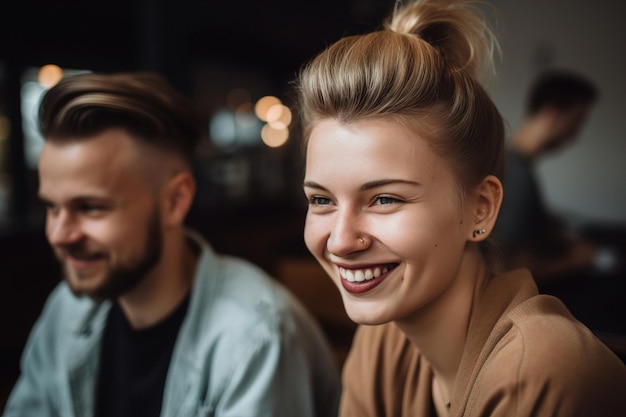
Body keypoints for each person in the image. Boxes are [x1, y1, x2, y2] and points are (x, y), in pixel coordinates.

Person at [295, 0, 626, 416]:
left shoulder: (543, 372)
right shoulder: (383, 337)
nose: (341, 242)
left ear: (481, 209)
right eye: (321, 200)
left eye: (384, 199)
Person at [2, 72, 340, 417]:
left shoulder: (255, 339)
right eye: (52, 207)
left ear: (175, 201)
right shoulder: (68, 308)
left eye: (90, 207)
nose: (59, 234)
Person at [493, 69, 606, 284]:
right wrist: (575, 260)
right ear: (552, 114)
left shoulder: (513, 164)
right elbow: (510, 269)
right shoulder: (517, 176)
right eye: (576, 123)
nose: (575, 135)